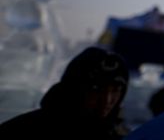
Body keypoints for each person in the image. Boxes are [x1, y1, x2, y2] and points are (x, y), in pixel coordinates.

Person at [0, 46, 130, 139]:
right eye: (96, 89)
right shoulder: (27, 131)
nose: (107, 99)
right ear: (74, 87)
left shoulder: (122, 135)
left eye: (116, 90)